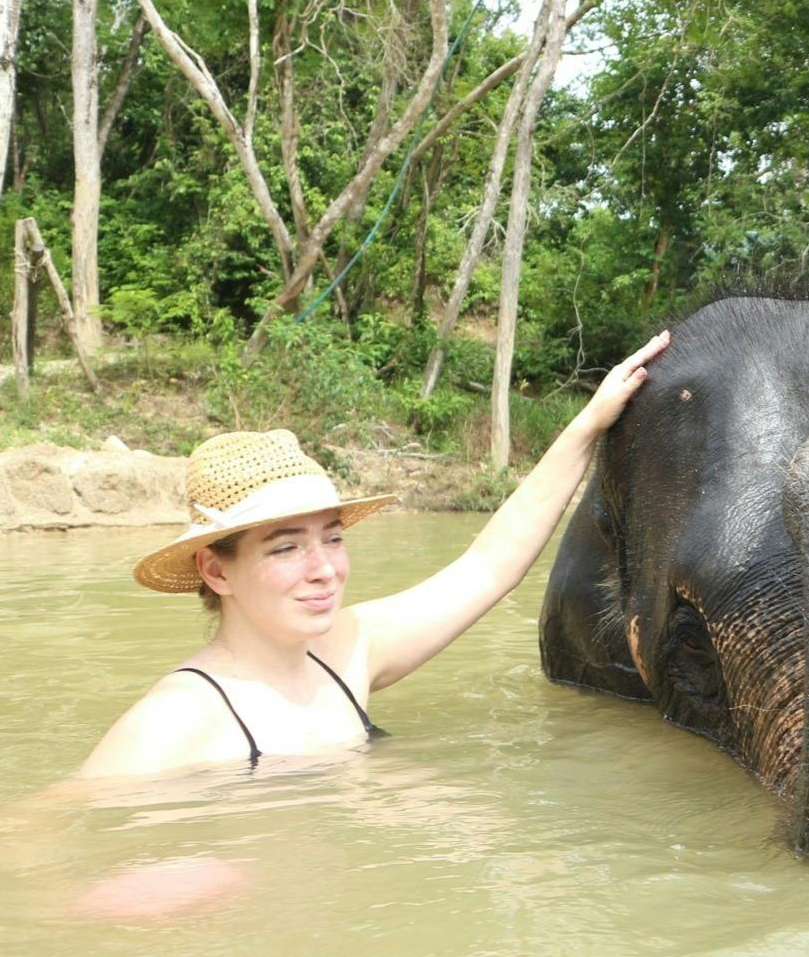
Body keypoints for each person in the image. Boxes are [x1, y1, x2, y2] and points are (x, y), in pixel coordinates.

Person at [79, 330, 671, 778]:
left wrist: (589, 424)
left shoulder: (345, 649)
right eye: (286, 547)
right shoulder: (181, 717)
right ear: (216, 570)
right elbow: (36, 835)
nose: (324, 570)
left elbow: (488, 567)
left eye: (332, 538)